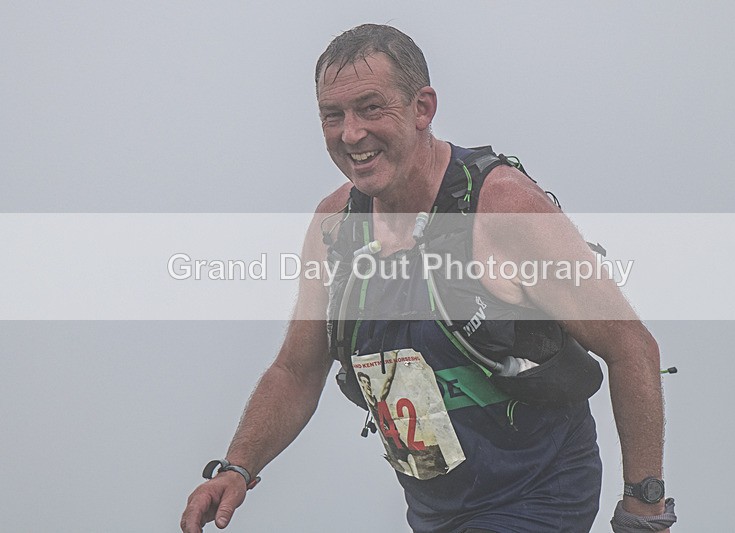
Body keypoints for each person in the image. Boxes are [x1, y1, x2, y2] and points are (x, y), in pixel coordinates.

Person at [181, 24, 675, 533]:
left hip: (541, 497)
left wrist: (645, 508)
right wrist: (238, 468)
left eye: (372, 108)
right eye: (334, 115)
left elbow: (632, 346)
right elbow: (296, 370)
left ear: (423, 108)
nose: (351, 133)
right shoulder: (334, 229)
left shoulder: (501, 206)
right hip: (437, 516)